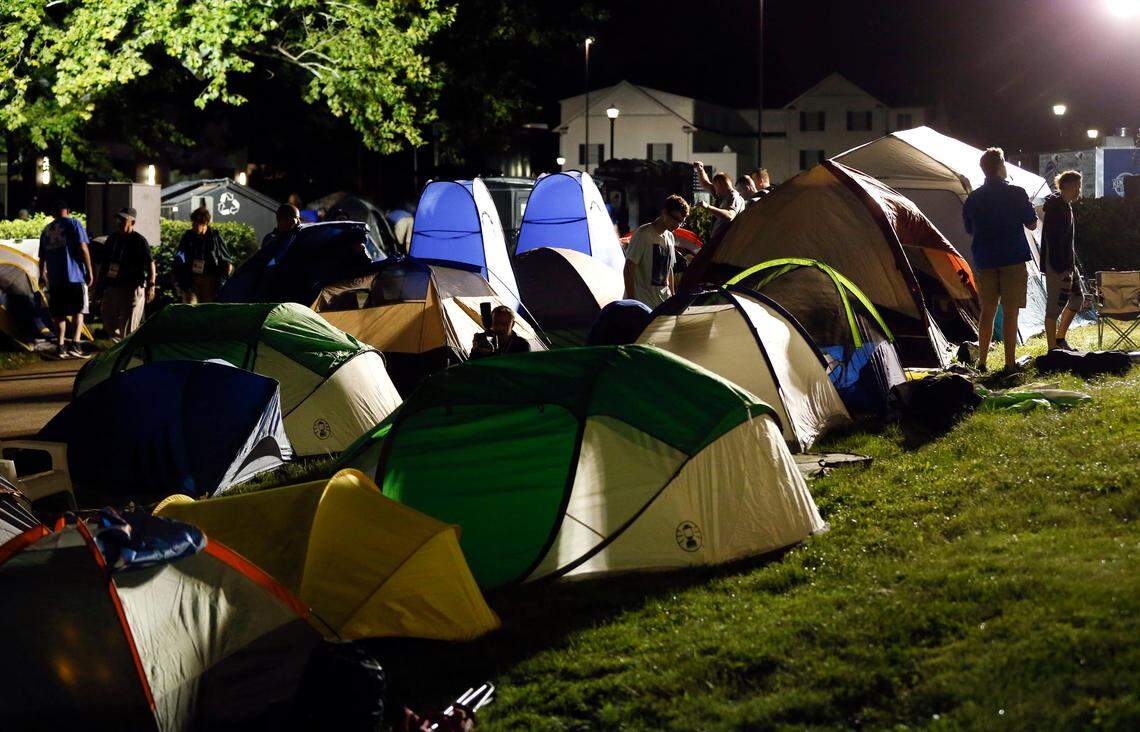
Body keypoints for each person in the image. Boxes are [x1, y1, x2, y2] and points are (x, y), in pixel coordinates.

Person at [962, 147, 1038, 371]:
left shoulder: (973, 198)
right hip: (1012, 256)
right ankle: (1009, 362)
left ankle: (982, 361)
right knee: (1010, 311)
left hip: (985, 259)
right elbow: (1032, 224)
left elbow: (969, 229)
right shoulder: (1016, 192)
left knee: (987, 311)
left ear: (983, 169)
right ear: (1002, 165)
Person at [37, 201, 93, 358]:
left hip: (55, 278)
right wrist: (89, 271)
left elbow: (42, 256)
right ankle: (75, 344)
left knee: (59, 313)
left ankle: (60, 347)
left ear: (54, 212)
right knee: (79, 311)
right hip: (75, 276)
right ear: (68, 211)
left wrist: (42, 275)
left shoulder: (46, 230)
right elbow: (83, 247)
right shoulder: (74, 223)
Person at [1041, 170, 1085, 351]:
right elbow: (1054, 241)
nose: (1079, 191)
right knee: (1054, 307)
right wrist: (1062, 269)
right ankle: (1052, 350)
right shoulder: (1056, 208)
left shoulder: (1065, 205)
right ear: (1066, 186)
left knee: (1077, 299)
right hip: (1058, 267)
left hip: (1068, 265)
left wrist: (1073, 265)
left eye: (1079, 187)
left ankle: (1060, 339)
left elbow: (1066, 241)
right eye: (1077, 187)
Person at [100, 207, 155, 340]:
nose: (119, 222)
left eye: (123, 220)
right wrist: (99, 285)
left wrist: (151, 285)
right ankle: (119, 347)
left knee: (129, 326)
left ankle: (127, 352)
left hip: (132, 287)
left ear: (132, 222)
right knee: (109, 320)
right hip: (113, 286)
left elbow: (150, 263)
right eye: (118, 219)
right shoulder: (112, 239)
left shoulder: (139, 241)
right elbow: (104, 263)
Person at [624, 194, 689, 307]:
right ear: (664, 212)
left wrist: (672, 297)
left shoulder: (670, 237)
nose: (678, 225)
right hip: (643, 303)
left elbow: (669, 271)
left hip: (663, 303)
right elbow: (628, 269)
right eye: (676, 219)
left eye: (681, 222)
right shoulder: (643, 234)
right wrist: (632, 303)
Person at [174, 207, 233, 303]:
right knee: (190, 308)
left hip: (210, 280)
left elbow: (227, 261)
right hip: (191, 280)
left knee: (207, 309)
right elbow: (180, 256)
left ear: (205, 222)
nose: (193, 225)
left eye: (196, 223)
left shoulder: (215, 237)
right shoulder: (188, 236)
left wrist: (221, 281)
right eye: (193, 222)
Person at [692, 161, 745, 246]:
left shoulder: (734, 197)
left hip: (727, 243)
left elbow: (730, 215)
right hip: (719, 241)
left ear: (720, 185)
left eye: (716, 186)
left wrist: (708, 207)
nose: (715, 191)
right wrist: (700, 170)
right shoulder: (722, 195)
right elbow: (706, 184)